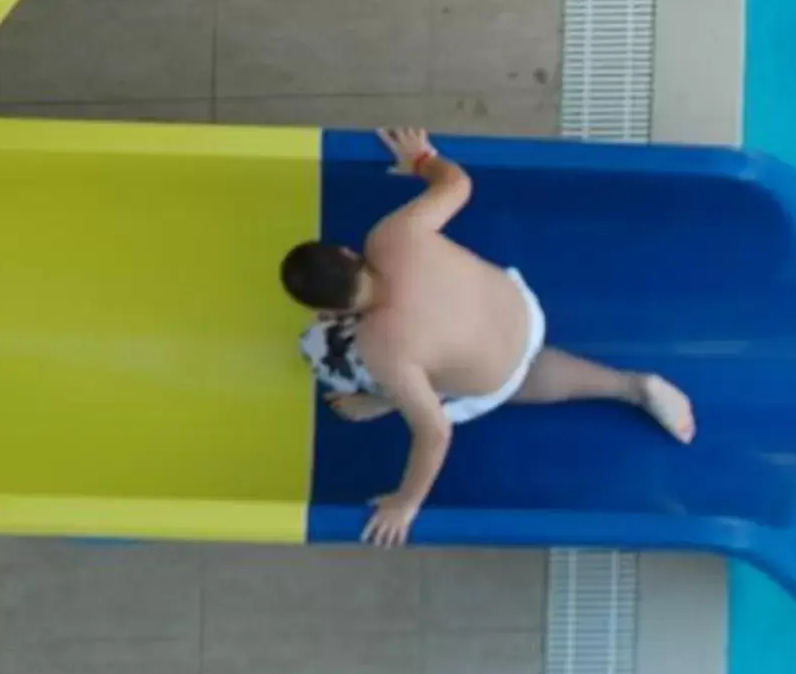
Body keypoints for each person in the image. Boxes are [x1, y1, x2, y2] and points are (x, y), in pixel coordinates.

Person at [280, 126, 696, 547]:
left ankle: (629, 387)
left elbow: (436, 432)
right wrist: (422, 160)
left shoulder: (379, 348)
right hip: (522, 310)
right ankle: (637, 385)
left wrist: (406, 503)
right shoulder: (391, 237)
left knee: (331, 354)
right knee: (429, 361)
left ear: (333, 311)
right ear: (349, 253)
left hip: (497, 377)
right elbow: (459, 183)